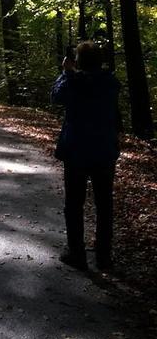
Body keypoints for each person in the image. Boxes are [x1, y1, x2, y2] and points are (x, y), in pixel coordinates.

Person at [51, 40, 122, 271]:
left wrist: (66, 73)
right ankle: (104, 257)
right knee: (104, 205)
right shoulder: (110, 83)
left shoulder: (73, 82)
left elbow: (56, 96)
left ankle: (77, 254)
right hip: (104, 150)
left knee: (74, 204)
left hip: (76, 151)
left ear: (79, 62)